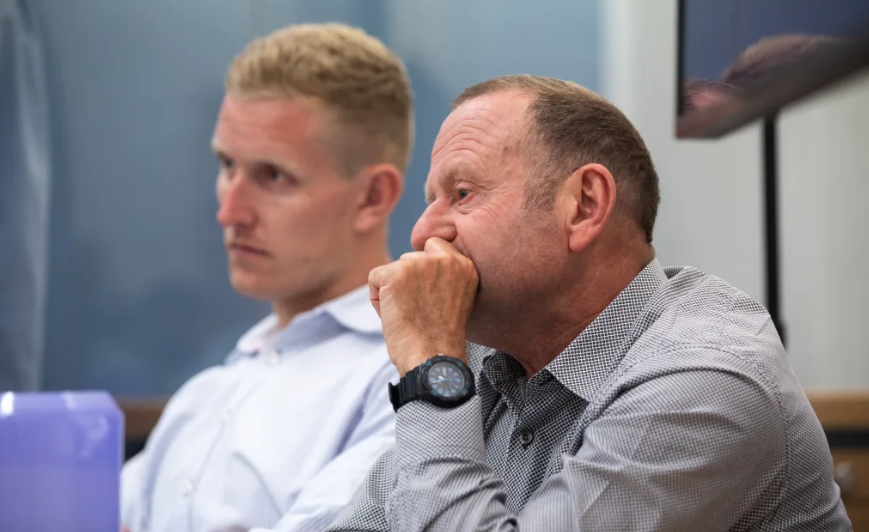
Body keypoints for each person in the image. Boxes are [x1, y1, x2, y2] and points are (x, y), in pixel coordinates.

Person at [328, 75, 852, 531]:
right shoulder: (493, 358)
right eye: (430, 201)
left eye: (462, 193)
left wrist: (431, 370)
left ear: (583, 206)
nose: (423, 233)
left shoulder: (705, 381)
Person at [121, 23, 413, 532]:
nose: (229, 212)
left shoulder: (404, 380)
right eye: (226, 166)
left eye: (273, 176)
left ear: (372, 198)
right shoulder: (206, 395)